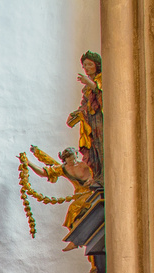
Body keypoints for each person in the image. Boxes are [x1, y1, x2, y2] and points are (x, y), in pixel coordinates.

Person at [69, 51, 104, 180]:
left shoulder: (102, 79)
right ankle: (98, 175)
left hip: (101, 119)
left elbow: (104, 95)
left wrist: (88, 83)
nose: (87, 68)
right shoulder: (86, 89)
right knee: (93, 147)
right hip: (91, 121)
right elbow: (85, 104)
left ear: (97, 65)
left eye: (90, 64)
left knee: (101, 144)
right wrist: (75, 115)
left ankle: (104, 174)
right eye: (85, 65)